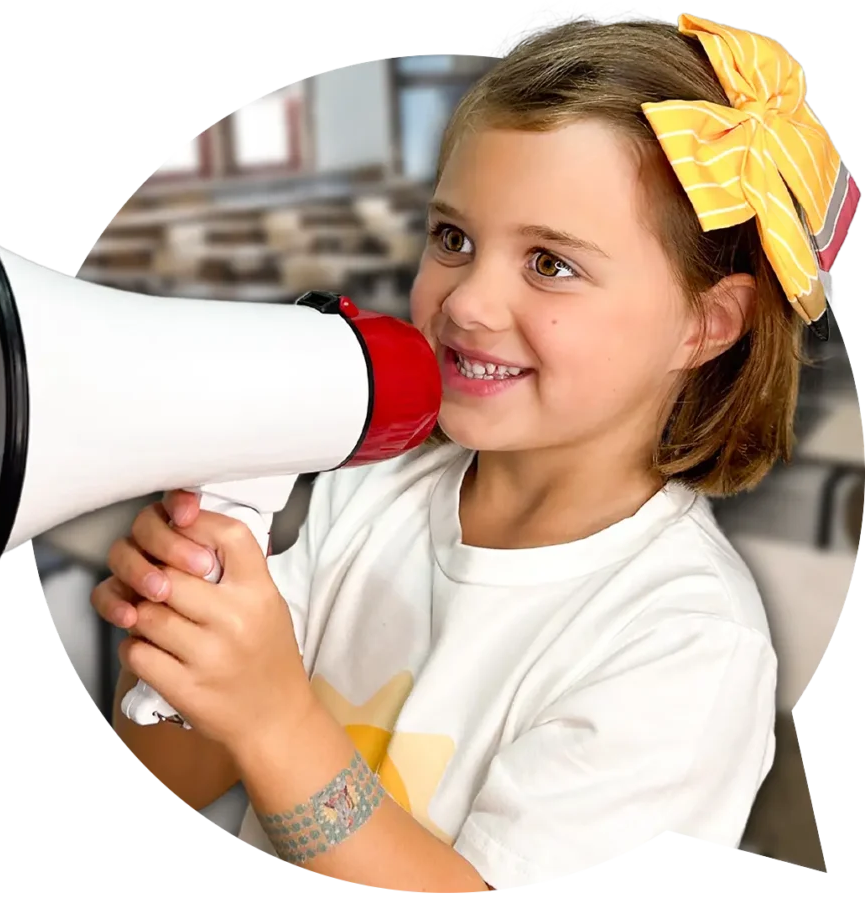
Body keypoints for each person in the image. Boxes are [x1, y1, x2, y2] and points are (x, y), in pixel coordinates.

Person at [89, 11, 856, 893]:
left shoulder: (687, 641)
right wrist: (184, 649)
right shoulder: (376, 483)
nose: (467, 304)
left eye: (550, 264)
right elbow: (183, 772)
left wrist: (272, 720)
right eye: (453, 239)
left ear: (705, 325)